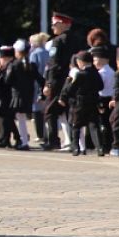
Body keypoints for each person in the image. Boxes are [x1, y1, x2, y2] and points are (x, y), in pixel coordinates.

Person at [41, 13, 78, 151]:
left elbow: (53, 65)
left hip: (58, 81)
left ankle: (53, 140)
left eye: (55, 24)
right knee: (68, 111)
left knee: (50, 111)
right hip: (73, 79)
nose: (53, 27)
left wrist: (48, 84)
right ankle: (72, 141)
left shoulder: (57, 41)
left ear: (65, 24)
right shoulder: (76, 40)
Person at [60, 50, 103, 157]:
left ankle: (76, 148)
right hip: (93, 101)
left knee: (76, 125)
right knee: (94, 125)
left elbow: (70, 90)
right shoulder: (95, 73)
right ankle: (99, 148)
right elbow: (101, 86)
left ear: (81, 62)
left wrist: (69, 81)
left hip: (80, 102)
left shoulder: (80, 74)